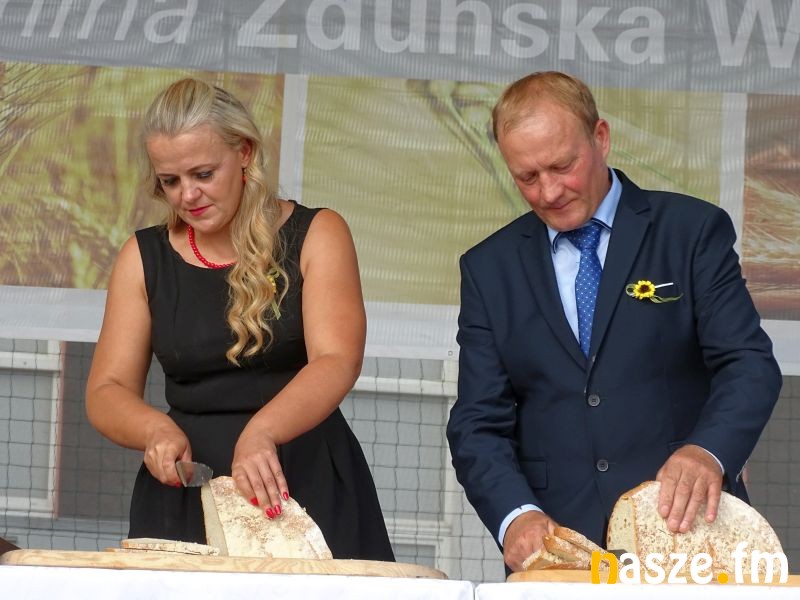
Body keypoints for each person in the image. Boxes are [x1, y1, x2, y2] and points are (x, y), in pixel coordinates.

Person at [446, 71, 781, 572]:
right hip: (561, 550)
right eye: (527, 177)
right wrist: (515, 516)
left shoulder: (690, 232)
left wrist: (708, 452)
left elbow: (748, 364)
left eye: (563, 166)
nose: (549, 191)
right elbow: (477, 423)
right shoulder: (489, 268)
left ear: (600, 137)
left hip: (688, 538)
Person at [86, 78, 395, 561]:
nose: (188, 194)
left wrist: (263, 431)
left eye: (203, 173)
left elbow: (337, 359)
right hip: (185, 490)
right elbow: (106, 390)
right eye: (170, 181)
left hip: (301, 478)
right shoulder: (142, 257)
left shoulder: (318, 233)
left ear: (245, 152)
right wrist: (153, 430)